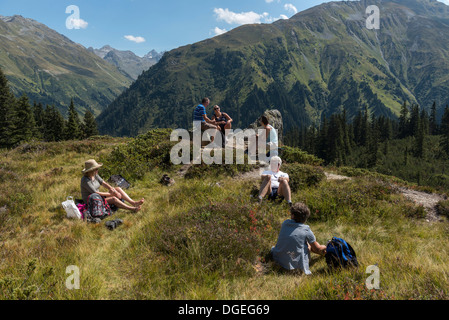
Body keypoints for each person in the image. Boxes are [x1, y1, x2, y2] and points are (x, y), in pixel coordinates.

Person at [271, 202, 327, 275]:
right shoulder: (306, 229)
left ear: (292, 215)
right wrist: (327, 246)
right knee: (310, 246)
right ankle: (326, 250)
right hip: (296, 265)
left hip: (278, 260)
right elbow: (317, 249)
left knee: (303, 244)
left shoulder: (285, 223)